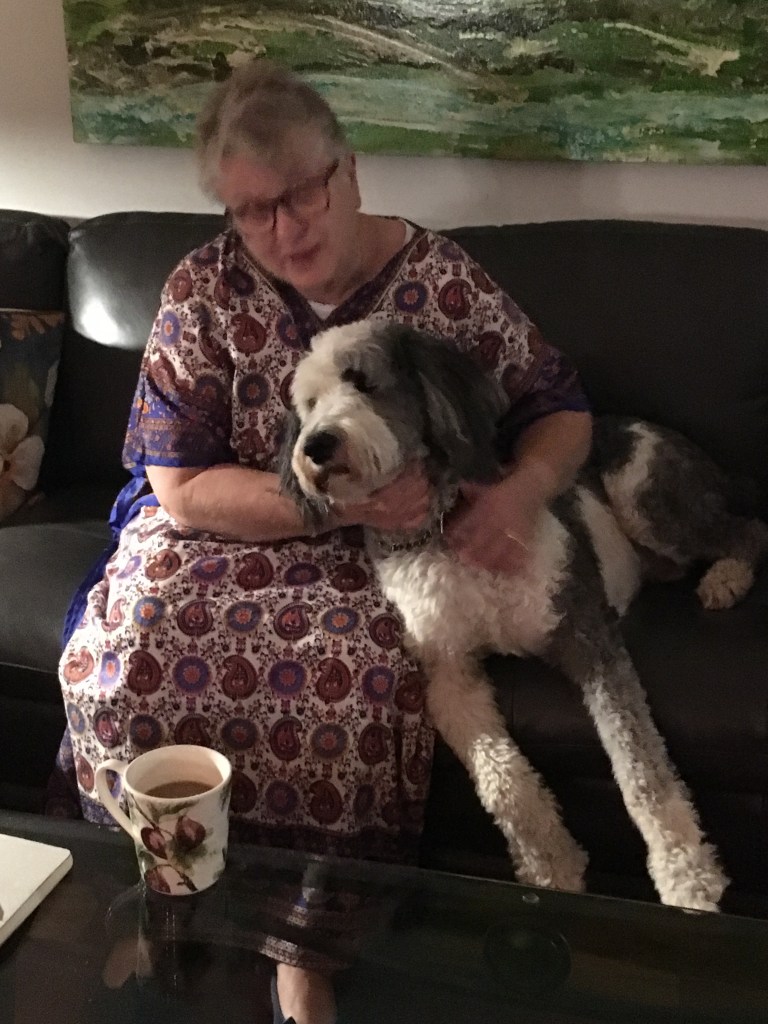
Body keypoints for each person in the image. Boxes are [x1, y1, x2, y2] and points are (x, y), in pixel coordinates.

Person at [50, 60, 592, 1024]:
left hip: (382, 560)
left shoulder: (439, 282)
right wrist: (341, 506)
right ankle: (164, 892)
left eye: (302, 192)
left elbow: (561, 410)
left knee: (358, 677)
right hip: (217, 531)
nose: (283, 229)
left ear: (348, 168)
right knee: (120, 662)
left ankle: (303, 949)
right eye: (252, 210)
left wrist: (518, 493)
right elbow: (180, 486)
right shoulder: (203, 289)